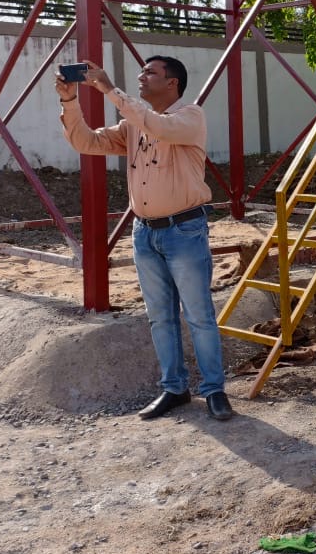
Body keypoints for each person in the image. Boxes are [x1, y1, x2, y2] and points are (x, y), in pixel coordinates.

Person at [55, 56, 233, 421]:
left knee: (198, 316)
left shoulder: (190, 117)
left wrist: (109, 89)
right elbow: (85, 142)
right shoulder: (132, 125)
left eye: (151, 72)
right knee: (159, 318)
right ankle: (174, 388)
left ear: (173, 84)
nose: (141, 76)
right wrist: (70, 101)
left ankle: (214, 390)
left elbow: (158, 127)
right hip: (145, 234)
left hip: (184, 231)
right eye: (141, 71)